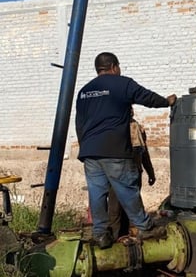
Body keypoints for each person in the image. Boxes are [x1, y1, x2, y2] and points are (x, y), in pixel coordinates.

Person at [75, 52, 176, 249]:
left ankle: (100, 234)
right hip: (114, 150)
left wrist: (85, 146)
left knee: (96, 193)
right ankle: (145, 227)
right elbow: (146, 97)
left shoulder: (84, 91)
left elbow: (80, 123)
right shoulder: (121, 83)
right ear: (113, 66)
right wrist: (167, 101)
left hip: (90, 152)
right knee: (127, 189)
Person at [108, 108, 157, 240]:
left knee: (124, 208)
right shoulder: (113, 128)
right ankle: (118, 238)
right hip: (120, 174)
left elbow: (144, 152)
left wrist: (150, 172)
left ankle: (129, 239)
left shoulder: (137, 128)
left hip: (130, 173)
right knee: (119, 208)